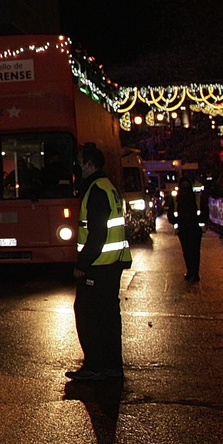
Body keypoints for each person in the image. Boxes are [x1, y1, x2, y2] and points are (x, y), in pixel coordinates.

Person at [67, 144, 128, 382]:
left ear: (90, 164)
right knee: (109, 318)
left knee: (89, 316)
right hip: (111, 264)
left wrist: (82, 264)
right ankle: (112, 366)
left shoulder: (96, 190)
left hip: (99, 267)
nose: (76, 168)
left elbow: (97, 234)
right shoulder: (107, 187)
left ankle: (95, 366)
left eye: (79, 162)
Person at [173, 172, 208, 282]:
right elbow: (172, 213)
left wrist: (199, 221)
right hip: (184, 228)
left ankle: (194, 272)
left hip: (193, 228)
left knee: (193, 251)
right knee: (188, 251)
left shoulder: (196, 199)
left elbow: (204, 212)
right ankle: (191, 271)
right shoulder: (177, 200)